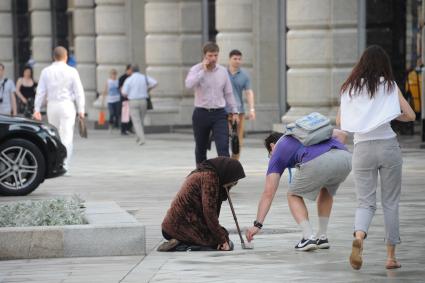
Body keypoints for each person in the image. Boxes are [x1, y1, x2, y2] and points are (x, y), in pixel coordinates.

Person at [338, 45, 416, 270]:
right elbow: (410, 115)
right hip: (388, 146)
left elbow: (340, 122)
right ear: (384, 65)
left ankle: (359, 237)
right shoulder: (390, 86)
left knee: (365, 202)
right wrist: (390, 116)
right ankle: (391, 257)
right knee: (390, 203)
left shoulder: (349, 89)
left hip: (362, 149)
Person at [245, 130, 352, 251]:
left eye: (269, 154)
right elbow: (342, 135)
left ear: (272, 146)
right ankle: (322, 237)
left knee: (293, 195)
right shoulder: (304, 134)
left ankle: (308, 237)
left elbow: (268, 193)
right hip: (344, 157)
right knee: (325, 190)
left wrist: (257, 225)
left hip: (317, 160)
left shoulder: (278, 150)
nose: (271, 157)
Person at [158, 157, 246, 252]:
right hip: (178, 227)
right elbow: (209, 212)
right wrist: (221, 240)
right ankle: (182, 245)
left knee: (223, 234)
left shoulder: (209, 174)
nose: (233, 184)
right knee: (216, 242)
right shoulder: (209, 178)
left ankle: (182, 240)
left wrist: (221, 236)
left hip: (178, 225)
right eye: (234, 181)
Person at [185, 42, 239, 166]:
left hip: (219, 114)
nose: (213, 58)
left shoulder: (223, 71)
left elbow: (229, 93)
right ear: (205, 55)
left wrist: (234, 111)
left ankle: (225, 178)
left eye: (215, 55)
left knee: (223, 147)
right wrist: (202, 71)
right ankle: (201, 175)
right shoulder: (196, 69)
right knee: (201, 147)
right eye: (210, 56)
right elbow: (188, 85)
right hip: (201, 113)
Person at [33, 46, 85, 172]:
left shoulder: (46, 71)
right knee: (67, 135)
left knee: (54, 136)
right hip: (67, 105)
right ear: (66, 56)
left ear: (53, 57)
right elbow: (79, 92)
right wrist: (81, 110)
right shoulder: (72, 71)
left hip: (52, 105)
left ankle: (55, 164)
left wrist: (37, 109)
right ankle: (65, 165)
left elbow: (40, 91)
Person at [226, 49, 256, 160]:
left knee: (237, 140)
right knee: (224, 138)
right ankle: (224, 162)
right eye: (235, 58)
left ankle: (234, 164)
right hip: (223, 111)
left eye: (239, 59)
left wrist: (251, 109)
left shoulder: (244, 75)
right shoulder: (222, 73)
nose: (237, 61)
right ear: (229, 59)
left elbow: (249, 92)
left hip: (239, 112)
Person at [122, 65, 157, 145]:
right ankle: (139, 136)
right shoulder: (144, 77)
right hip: (143, 101)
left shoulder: (129, 80)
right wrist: (148, 89)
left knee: (136, 121)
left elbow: (124, 92)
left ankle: (142, 138)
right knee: (141, 120)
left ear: (132, 70)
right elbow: (155, 83)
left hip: (133, 100)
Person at [118, 64, 133, 135]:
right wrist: (125, 94)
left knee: (131, 114)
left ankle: (129, 128)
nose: (132, 71)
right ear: (128, 70)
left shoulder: (132, 77)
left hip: (132, 98)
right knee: (125, 115)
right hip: (125, 98)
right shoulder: (122, 78)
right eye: (131, 70)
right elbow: (120, 88)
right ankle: (123, 129)